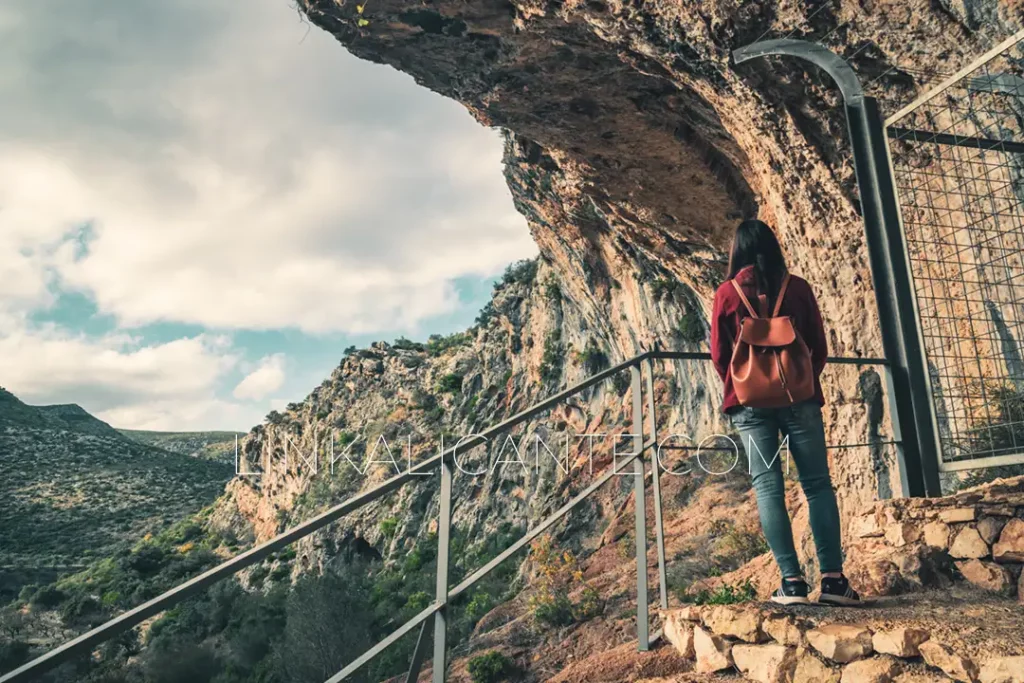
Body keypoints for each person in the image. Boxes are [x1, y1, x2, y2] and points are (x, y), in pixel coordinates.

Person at [709, 219, 861, 606]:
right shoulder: (797, 288)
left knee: (768, 487)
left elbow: (720, 356)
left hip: (751, 406)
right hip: (799, 401)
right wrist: (795, 381)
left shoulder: (726, 295)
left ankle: (791, 584)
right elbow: (818, 348)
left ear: (736, 252)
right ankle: (833, 582)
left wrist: (747, 381)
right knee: (817, 485)